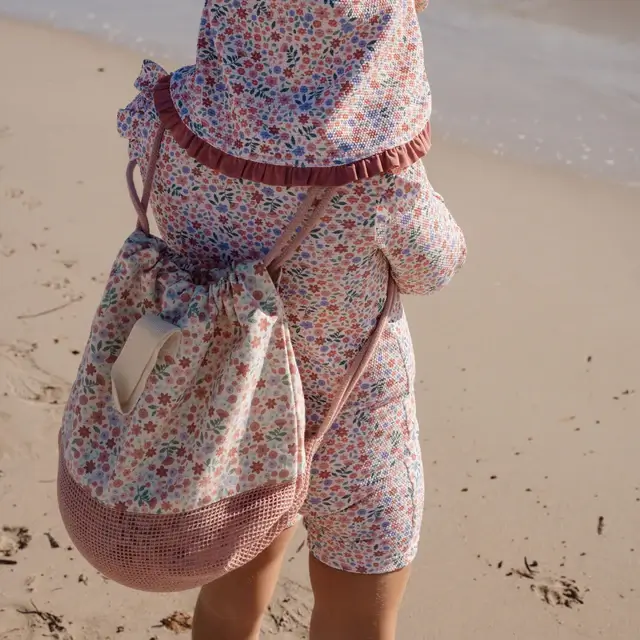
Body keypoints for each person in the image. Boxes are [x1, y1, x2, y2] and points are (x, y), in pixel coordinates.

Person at [117, 0, 466, 637]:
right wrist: (385, 141)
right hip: (355, 425)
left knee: (228, 603)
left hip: (232, 416)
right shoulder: (379, 181)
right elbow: (435, 268)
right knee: (357, 617)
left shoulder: (164, 126)